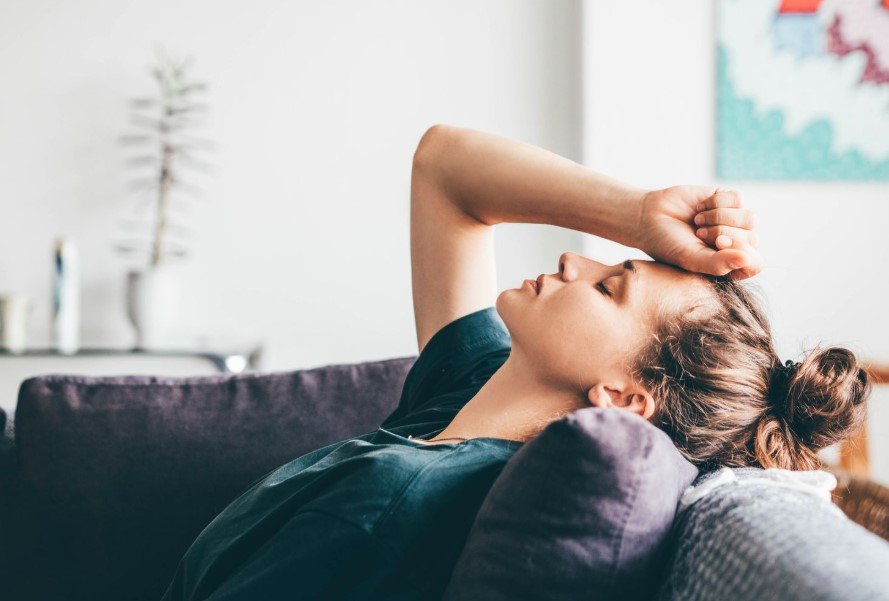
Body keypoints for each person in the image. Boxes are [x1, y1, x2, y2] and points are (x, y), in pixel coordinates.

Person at [161, 125, 870, 600]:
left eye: (608, 287)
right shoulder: (470, 393)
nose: (573, 259)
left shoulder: (397, 499)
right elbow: (444, 165)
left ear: (623, 397)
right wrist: (638, 214)